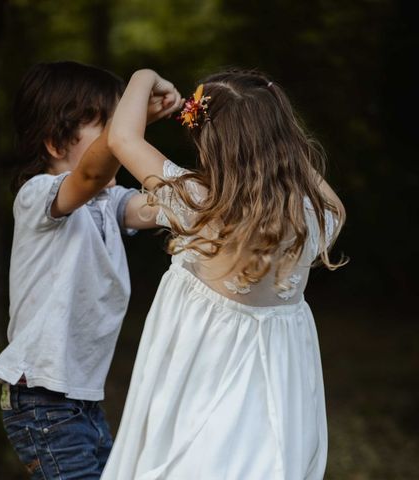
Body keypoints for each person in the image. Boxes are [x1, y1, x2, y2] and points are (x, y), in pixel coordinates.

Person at [102, 68, 346, 479]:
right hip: (280, 407)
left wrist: (144, 76)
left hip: (201, 392)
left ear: (210, 144)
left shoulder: (197, 205)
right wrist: (275, 129)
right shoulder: (320, 214)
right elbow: (301, 169)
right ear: (286, 136)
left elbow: (122, 138)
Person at [0, 61, 182, 479]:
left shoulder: (109, 204)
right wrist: (142, 79)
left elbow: (171, 204)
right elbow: (93, 171)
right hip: (42, 398)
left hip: (80, 401)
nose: (122, 142)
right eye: (109, 130)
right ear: (57, 143)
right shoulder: (37, 196)